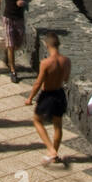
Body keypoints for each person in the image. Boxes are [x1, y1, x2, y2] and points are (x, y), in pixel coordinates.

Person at [25, 32, 71, 165]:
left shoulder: (46, 63)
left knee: (37, 120)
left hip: (48, 95)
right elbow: (66, 78)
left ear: (46, 45)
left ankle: (51, 150)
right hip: (60, 94)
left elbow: (38, 83)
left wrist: (30, 98)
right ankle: (54, 155)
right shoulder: (66, 61)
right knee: (58, 126)